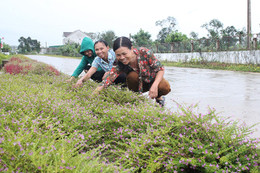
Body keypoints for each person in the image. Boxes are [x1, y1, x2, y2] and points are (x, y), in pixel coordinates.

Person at [92, 36, 171, 107]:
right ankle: (135, 98)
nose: (122, 57)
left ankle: (158, 97)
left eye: (124, 53)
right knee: (132, 76)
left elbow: (160, 69)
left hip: (152, 80)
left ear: (132, 49)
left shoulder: (144, 52)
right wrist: (93, 94)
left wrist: (155, 85)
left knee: (165, 87)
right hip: (138, 84)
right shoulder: (118, 62)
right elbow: (109, 79)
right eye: (118, 55)